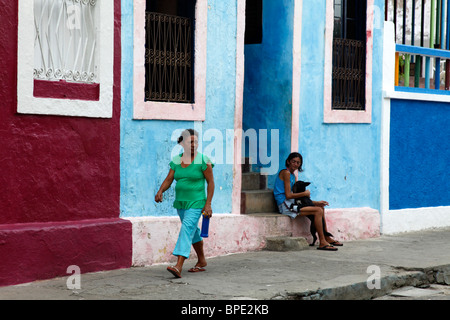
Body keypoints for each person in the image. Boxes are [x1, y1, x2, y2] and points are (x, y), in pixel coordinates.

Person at [155, 129, 215, 278]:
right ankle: (201, 261)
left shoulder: (203, 160)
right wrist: (161, 190)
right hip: (181, 203)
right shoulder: (176, 160)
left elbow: (211, 183)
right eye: (190, 142)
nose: (194, 145)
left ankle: (178, 265)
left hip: (197, 202)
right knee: (193, 231)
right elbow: (170, 179)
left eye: (196, 142)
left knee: (186, 229)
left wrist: (208, 204)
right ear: (182, 143)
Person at [273, 152, 342, 251]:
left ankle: (326, 237)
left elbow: (296, 198)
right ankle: (322, 242)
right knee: (318, 211)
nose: (296, 164)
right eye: (293, 162)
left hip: (291, 203)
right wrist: (305, 194)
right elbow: (288, 195)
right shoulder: (286, 173)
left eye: (298, 163)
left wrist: (316, 202)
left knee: (320, 208)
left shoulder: (292, 175)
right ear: (288, 162)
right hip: (284, 205)